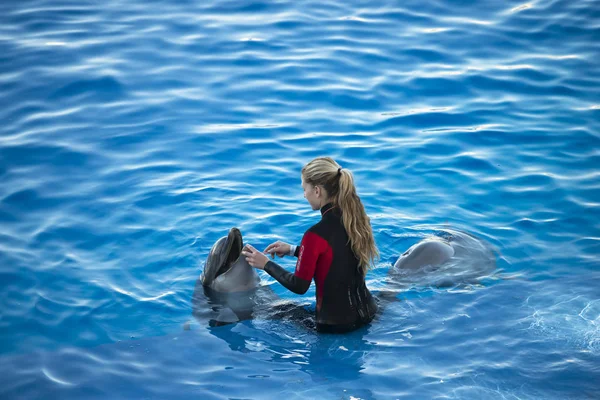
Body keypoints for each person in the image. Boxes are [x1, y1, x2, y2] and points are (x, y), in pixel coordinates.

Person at [241, 157, 379, 333]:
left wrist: (265, 264)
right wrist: (292, 250)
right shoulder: (355, 220)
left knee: (279, 311)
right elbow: (335, 257)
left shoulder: (314, 234)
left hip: (334, 326)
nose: (304, 195)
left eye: (304, 189)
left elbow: (299, 286)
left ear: (317, 190)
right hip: (368, 314)